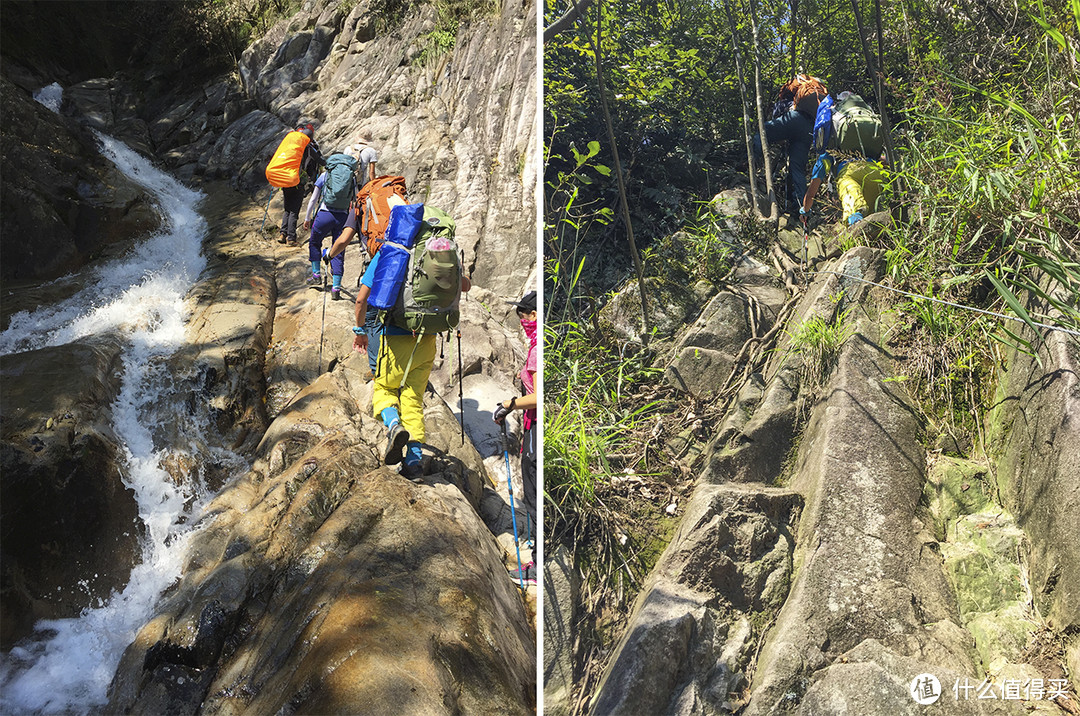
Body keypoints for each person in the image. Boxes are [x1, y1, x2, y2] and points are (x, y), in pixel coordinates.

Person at [351, 242, 471, 478]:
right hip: (426, 340)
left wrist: (360, 330)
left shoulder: (391, 252)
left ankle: (394, 424)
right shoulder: (440, 255)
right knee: (413, 398)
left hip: (394, 340)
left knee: (385, 388)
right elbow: (465, 285)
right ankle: (414, 461)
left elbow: (360, 299)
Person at [493, 290, 538, 584]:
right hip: (532, 429)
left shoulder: (537, 350)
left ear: (534, 316)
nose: (521, 320)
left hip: (536, 430)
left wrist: (510, 404)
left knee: (533, 498)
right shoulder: (537, 345)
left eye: (524, 314)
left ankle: (535, 570)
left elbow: (538, 397)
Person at [753, 74, 827, 215]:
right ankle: (802, 207)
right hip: (809, 129)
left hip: (794, 120)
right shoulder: (808, 98)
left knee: (762, 130)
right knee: (797, 168)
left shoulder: (786, 101)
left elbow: (778, 118)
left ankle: (751, 162)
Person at [304, 146, 361, 299]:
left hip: (324, 215)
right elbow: (356, 200)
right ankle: (336, 288)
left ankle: (316, 274)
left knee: (315, 242)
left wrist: (307, 218)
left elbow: (314, 199)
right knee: (339, 249)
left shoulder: (326, 174)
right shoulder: (351, 177)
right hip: (342, 217)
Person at [801, 137, 884, 225]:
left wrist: (805, 211)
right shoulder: (869, 148)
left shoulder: (829, 152)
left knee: (854, 211)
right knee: (870, 216)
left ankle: (855, 219)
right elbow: (885, 161)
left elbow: (811, 193)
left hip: (849, 174)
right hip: (875, 173)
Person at [277, 123, 322, 247]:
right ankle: (291, 238)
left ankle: (282, 234)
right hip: (297, 182)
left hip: (285, 180)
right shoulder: (308, 149)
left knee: (287, 208)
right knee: (294, 210)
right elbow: (321, 160)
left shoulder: (291, 146)